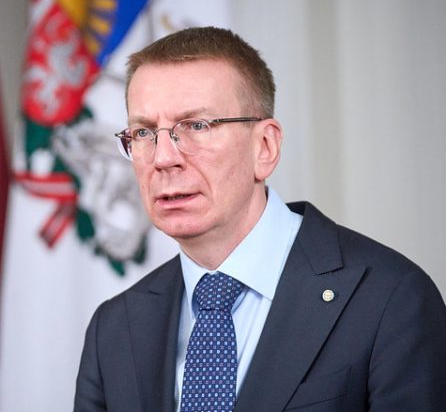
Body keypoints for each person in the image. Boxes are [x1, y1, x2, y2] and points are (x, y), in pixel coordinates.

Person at [73, 27, 446, 412]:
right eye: (143, 132)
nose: (163, 157)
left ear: (265, 147)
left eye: (196, 126)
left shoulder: (390, 299)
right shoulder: (113, 329)